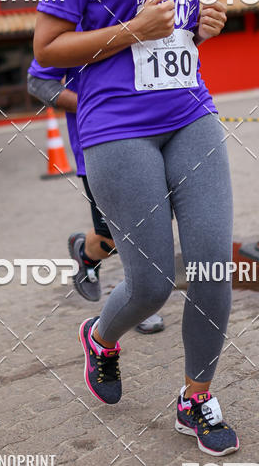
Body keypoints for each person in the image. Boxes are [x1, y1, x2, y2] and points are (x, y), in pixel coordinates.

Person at [34, 0, 239, 456]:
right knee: (151, 281)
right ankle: (100, 337)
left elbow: (182, 24)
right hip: (117, 125)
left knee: (211, 265)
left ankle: (195, 399)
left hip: (189, 112)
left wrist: (204, 25)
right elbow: (47, 49)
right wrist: (129, 32)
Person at [27, 58, 164, 334]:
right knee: (118, 235)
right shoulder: (75, 21)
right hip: (101, 141)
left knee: (156, 223)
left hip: (158, 132)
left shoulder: (154, 15)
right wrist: (95, 106)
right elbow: (38, 82)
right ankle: (130, 294)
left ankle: (88, 255)